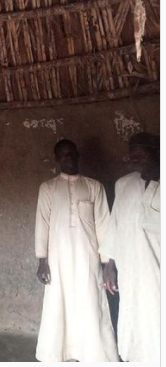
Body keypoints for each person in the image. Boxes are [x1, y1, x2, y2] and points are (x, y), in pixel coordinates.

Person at [35, 139, 118, 362]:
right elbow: (42, 223)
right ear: (57, 159)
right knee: (58, 302)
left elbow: (104, 223)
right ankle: (59, 353)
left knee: (90, 300)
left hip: (87, 257)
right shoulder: (48, 188)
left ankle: (93, 354)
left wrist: (108, 262)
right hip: (57, 258)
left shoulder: (94, 186)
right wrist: (42, 260)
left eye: (71, 153)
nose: (68, 158)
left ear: (77, 155)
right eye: (63, 155)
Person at [100, 132, 160, 362]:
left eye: (141, 153)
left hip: (157, 275)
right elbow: (115, 226)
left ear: (157, 151)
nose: (135, 159)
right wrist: (109, 265)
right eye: (132, 155)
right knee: (134, 322)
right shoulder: (123, 185)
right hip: (131, 272)